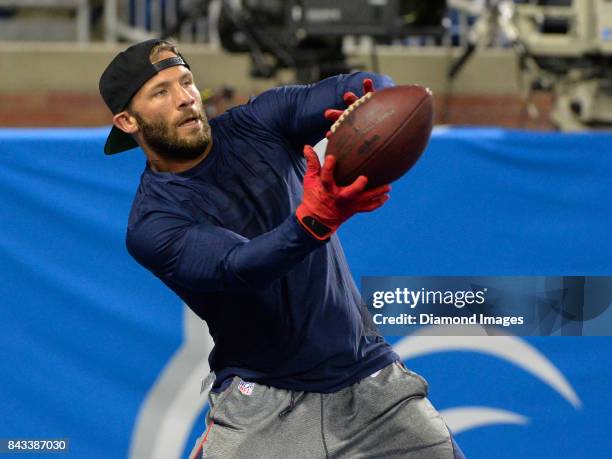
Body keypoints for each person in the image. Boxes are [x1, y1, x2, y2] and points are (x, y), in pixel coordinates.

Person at [99, 39, 464, 458]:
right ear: (128, 121)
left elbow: (366, 85)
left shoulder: (259, 121)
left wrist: (372, 99)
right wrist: (315, 220)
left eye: (186, 82)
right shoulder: (152, 225)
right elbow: (240, 268)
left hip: (371, 383)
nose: (184, 99)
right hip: (264, 407)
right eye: (161, 92)